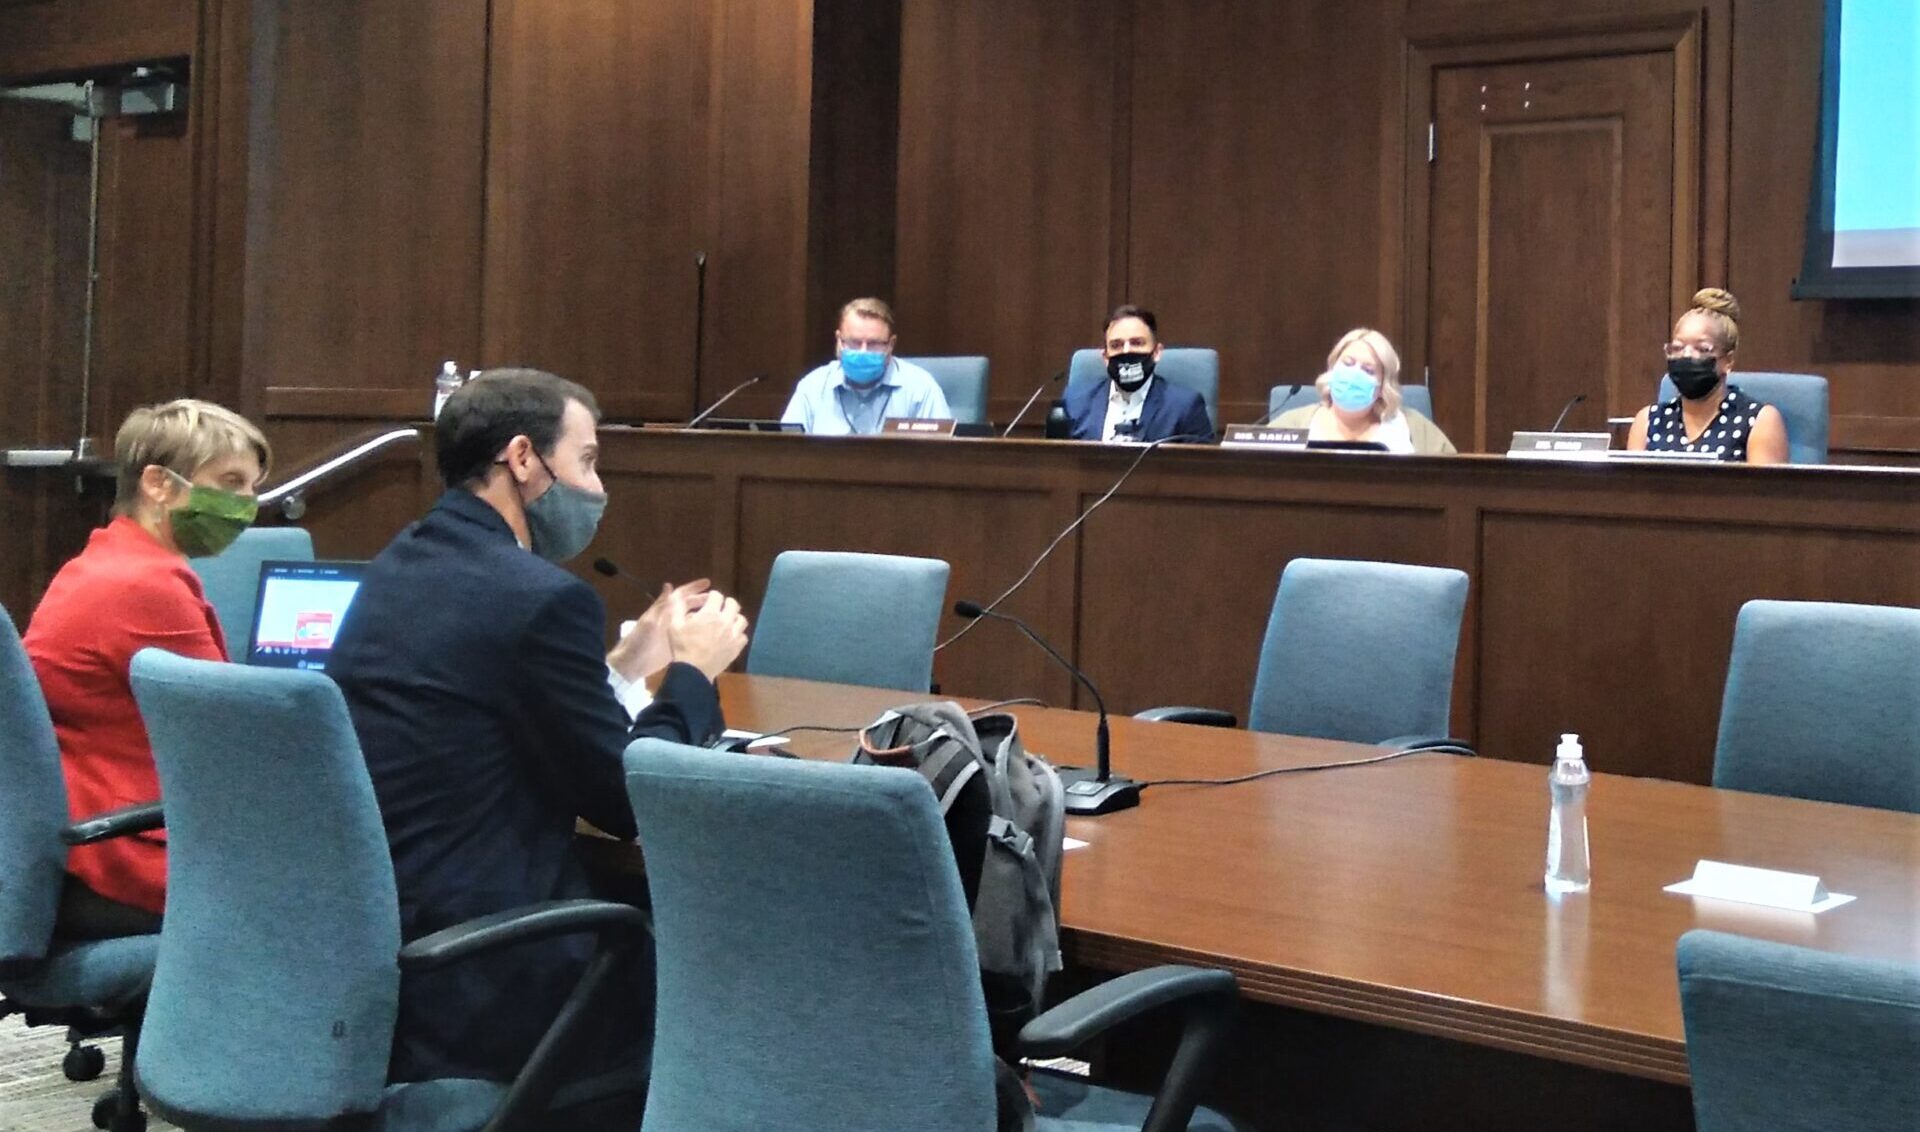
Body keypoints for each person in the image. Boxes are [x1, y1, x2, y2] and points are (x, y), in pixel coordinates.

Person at [325, 369, 750, 1093]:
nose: (597, 487)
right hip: (487, 975)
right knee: (730, 992)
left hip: (375, 947)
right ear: (523, 459)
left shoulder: (401, 562)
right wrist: (692, 675)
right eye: (586, 460)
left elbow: (497, 708)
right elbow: (626, 802)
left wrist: (622, 665)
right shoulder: (539, 599)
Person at [24, 399, 270, 940]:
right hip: (122, 856)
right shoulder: (144, 585)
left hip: (80, 841)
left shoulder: (107, 559)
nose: (246, 504)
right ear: (159, 483)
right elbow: (235, 741)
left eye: (251, 486)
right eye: (230, 482)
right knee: (334, 898)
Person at [1626, 288, 1788, 464]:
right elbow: (1632, 489)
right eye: (1678, 348)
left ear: (1728, 360)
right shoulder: (1648, 421)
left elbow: (1766, 490)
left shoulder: (1758, 420)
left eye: (1702, 349)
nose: (1687, 356)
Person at [780, 297, 951, 434]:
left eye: (873, 344)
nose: (863, 351)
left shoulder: (920, 389)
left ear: (891, 345)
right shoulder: (813, 387)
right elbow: (786, 452)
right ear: (839, 340)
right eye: (854, 342)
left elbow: (940, 459)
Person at [1270, 329, 1455, 454]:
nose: (1354, 374)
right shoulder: (1291, 424)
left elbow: (1452, 481)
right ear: (1332, 369)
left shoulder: (1415, 427)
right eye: (1348, 364)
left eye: (1368, 370)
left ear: (1383, 386)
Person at [1062, 305, 1215, 443]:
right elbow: (1056, 464)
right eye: (1116, 345)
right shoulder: (1076, 401)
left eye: (1137, 343)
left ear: (1156, 353)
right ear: (1105, 357)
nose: (1126, 351)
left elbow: (1203, 469)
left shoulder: (1184, 406)